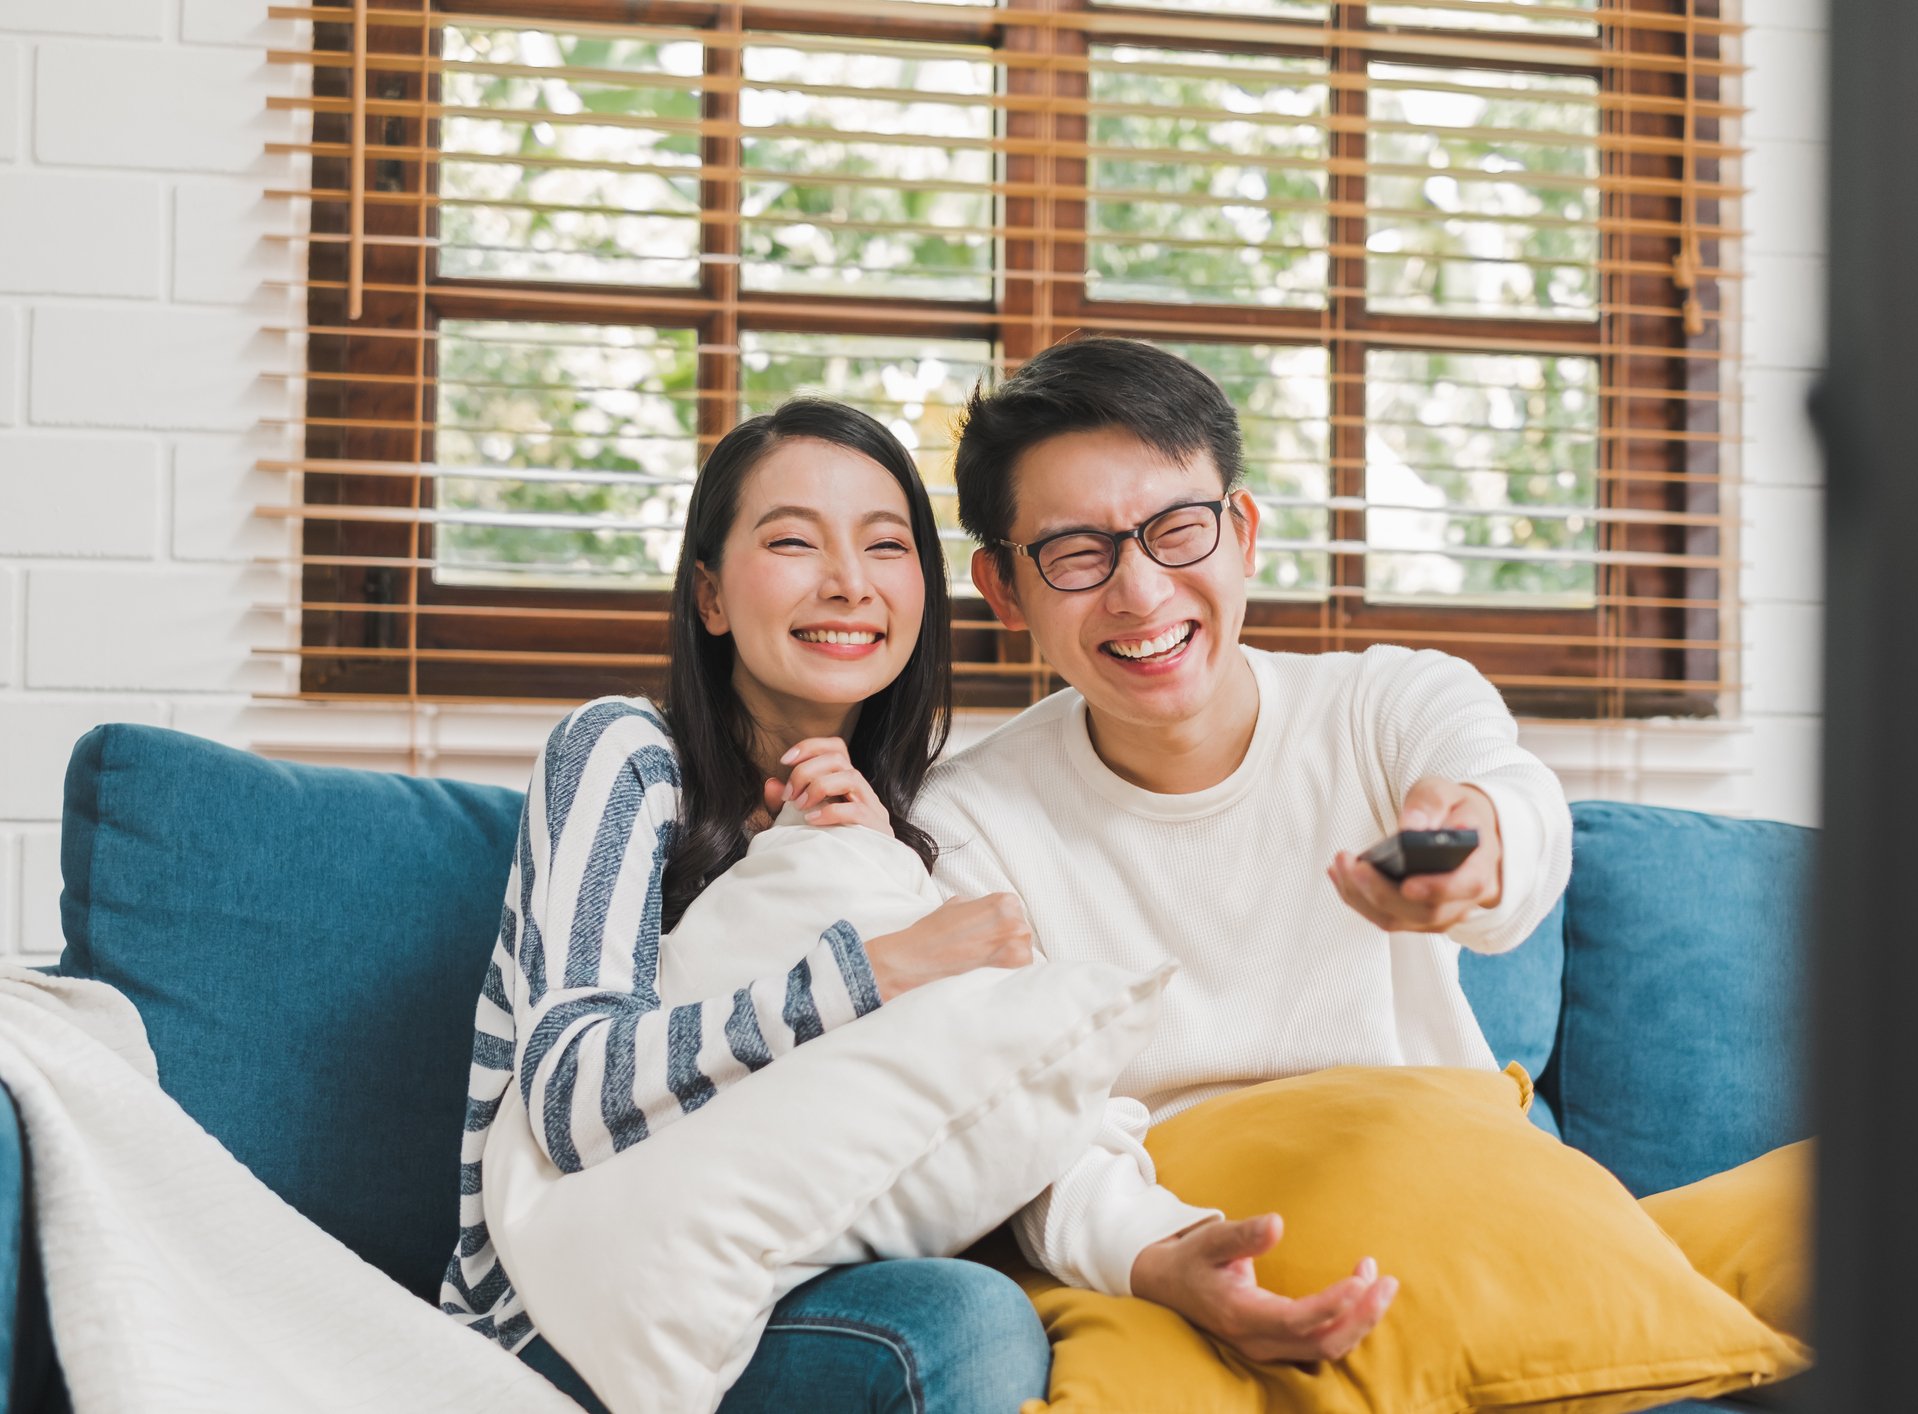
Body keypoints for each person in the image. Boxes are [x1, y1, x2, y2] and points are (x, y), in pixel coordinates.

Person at [912, 338, 1574, 1366]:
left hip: (1428, 1192)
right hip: (1161, 1241)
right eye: (1079, 553)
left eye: (1177, 530)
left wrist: (1475, 848)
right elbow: (1022, 1125)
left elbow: (1512, 803)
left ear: (1244, 530)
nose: (1139, 593)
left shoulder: (1391, 706)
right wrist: (1163, 1254)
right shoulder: (967, 825)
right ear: (1004, 587)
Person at [440, 398, 1049, 1413]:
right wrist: (885, 961)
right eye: (794, 540)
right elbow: (566, 1094)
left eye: (886, 545)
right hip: (555, 1317)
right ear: (712, 595)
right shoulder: (625, 755)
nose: (849, 581)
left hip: (800, 1275)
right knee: (966, 1327)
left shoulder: (913, 826)